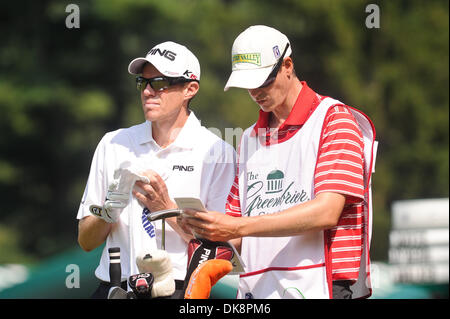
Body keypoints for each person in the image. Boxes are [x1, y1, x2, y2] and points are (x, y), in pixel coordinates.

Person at [182, 25, 377, 299]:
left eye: (263, 81)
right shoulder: (250, 138)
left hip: (326, 286)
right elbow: (236, 230)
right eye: (248, 85)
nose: (255, 92)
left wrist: (237, 227)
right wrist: (206, 234)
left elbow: (327, 211)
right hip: (259, 289)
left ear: (287, 65)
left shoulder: (334, 119)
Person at [76, 41, 236, 298]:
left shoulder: (218, 153)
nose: (148, 91)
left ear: (190, 89)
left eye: (160, 83)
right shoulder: (113, 143)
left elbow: (224, 247)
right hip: (114, 287)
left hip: (179, 290)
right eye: (143, 82)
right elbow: (86, 241)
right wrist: (109, 210)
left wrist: (165, 210)